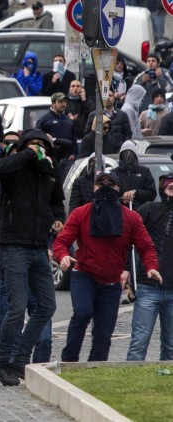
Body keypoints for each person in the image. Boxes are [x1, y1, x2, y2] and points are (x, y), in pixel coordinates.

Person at [0, 129, 65, 386]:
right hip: (13, 245)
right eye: (33, 144)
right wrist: (28, 152)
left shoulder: (49, 172)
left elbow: (57, 203)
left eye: (42, 144)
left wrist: (57, 219)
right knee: (16, 308)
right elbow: (0, 167)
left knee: (46, 305)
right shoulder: (14, 171)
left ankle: (20, 358)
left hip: (38, 246)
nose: (39, 148)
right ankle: (1, 361)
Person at [54, 172, 160, 362]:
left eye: (110, 184)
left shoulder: (131, 217)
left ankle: (96, 365)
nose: (105, 187)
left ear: (118, 189)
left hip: (111, 281)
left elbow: (146, 246)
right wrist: (63, 256)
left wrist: (151, 266)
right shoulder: (81, 213)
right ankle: (69, 360)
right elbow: (62, 241)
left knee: (104, 331)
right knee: (83, 313)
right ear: (94, 189)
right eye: (100, 184)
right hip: (84, 274)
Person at [127, 173, 173, 361]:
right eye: (171, 188)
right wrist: (127, 271)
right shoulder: (149, 209)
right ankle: (129, 384)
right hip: (148, 286)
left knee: (171, 347)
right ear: (163, 190)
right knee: (139, 342)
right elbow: (128, 238)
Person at [111, 141, 157, 208]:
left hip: (141, 212)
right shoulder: (114, 173)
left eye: (131, 153)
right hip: (120, 212)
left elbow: (152, 194)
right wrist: (122, 200)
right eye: (125, 153)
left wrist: (136, 192)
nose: (128, 156)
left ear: (135, 155)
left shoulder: (144, 171)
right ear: (121, 155)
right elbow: (109, 196)